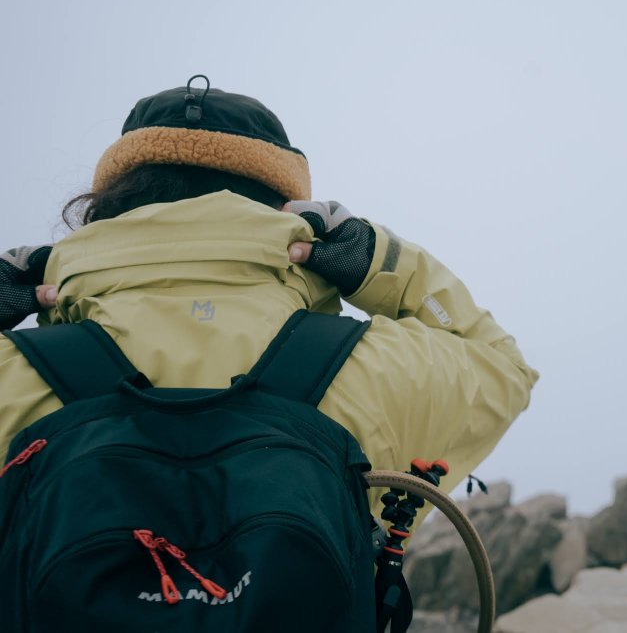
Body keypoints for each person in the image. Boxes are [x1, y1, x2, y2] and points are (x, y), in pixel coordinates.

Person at [0, 76, 539, 522]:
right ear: (291, 209)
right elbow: (501, 368)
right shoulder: (373, 368)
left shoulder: (14, 375)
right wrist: (383, 262)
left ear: (106, 207)